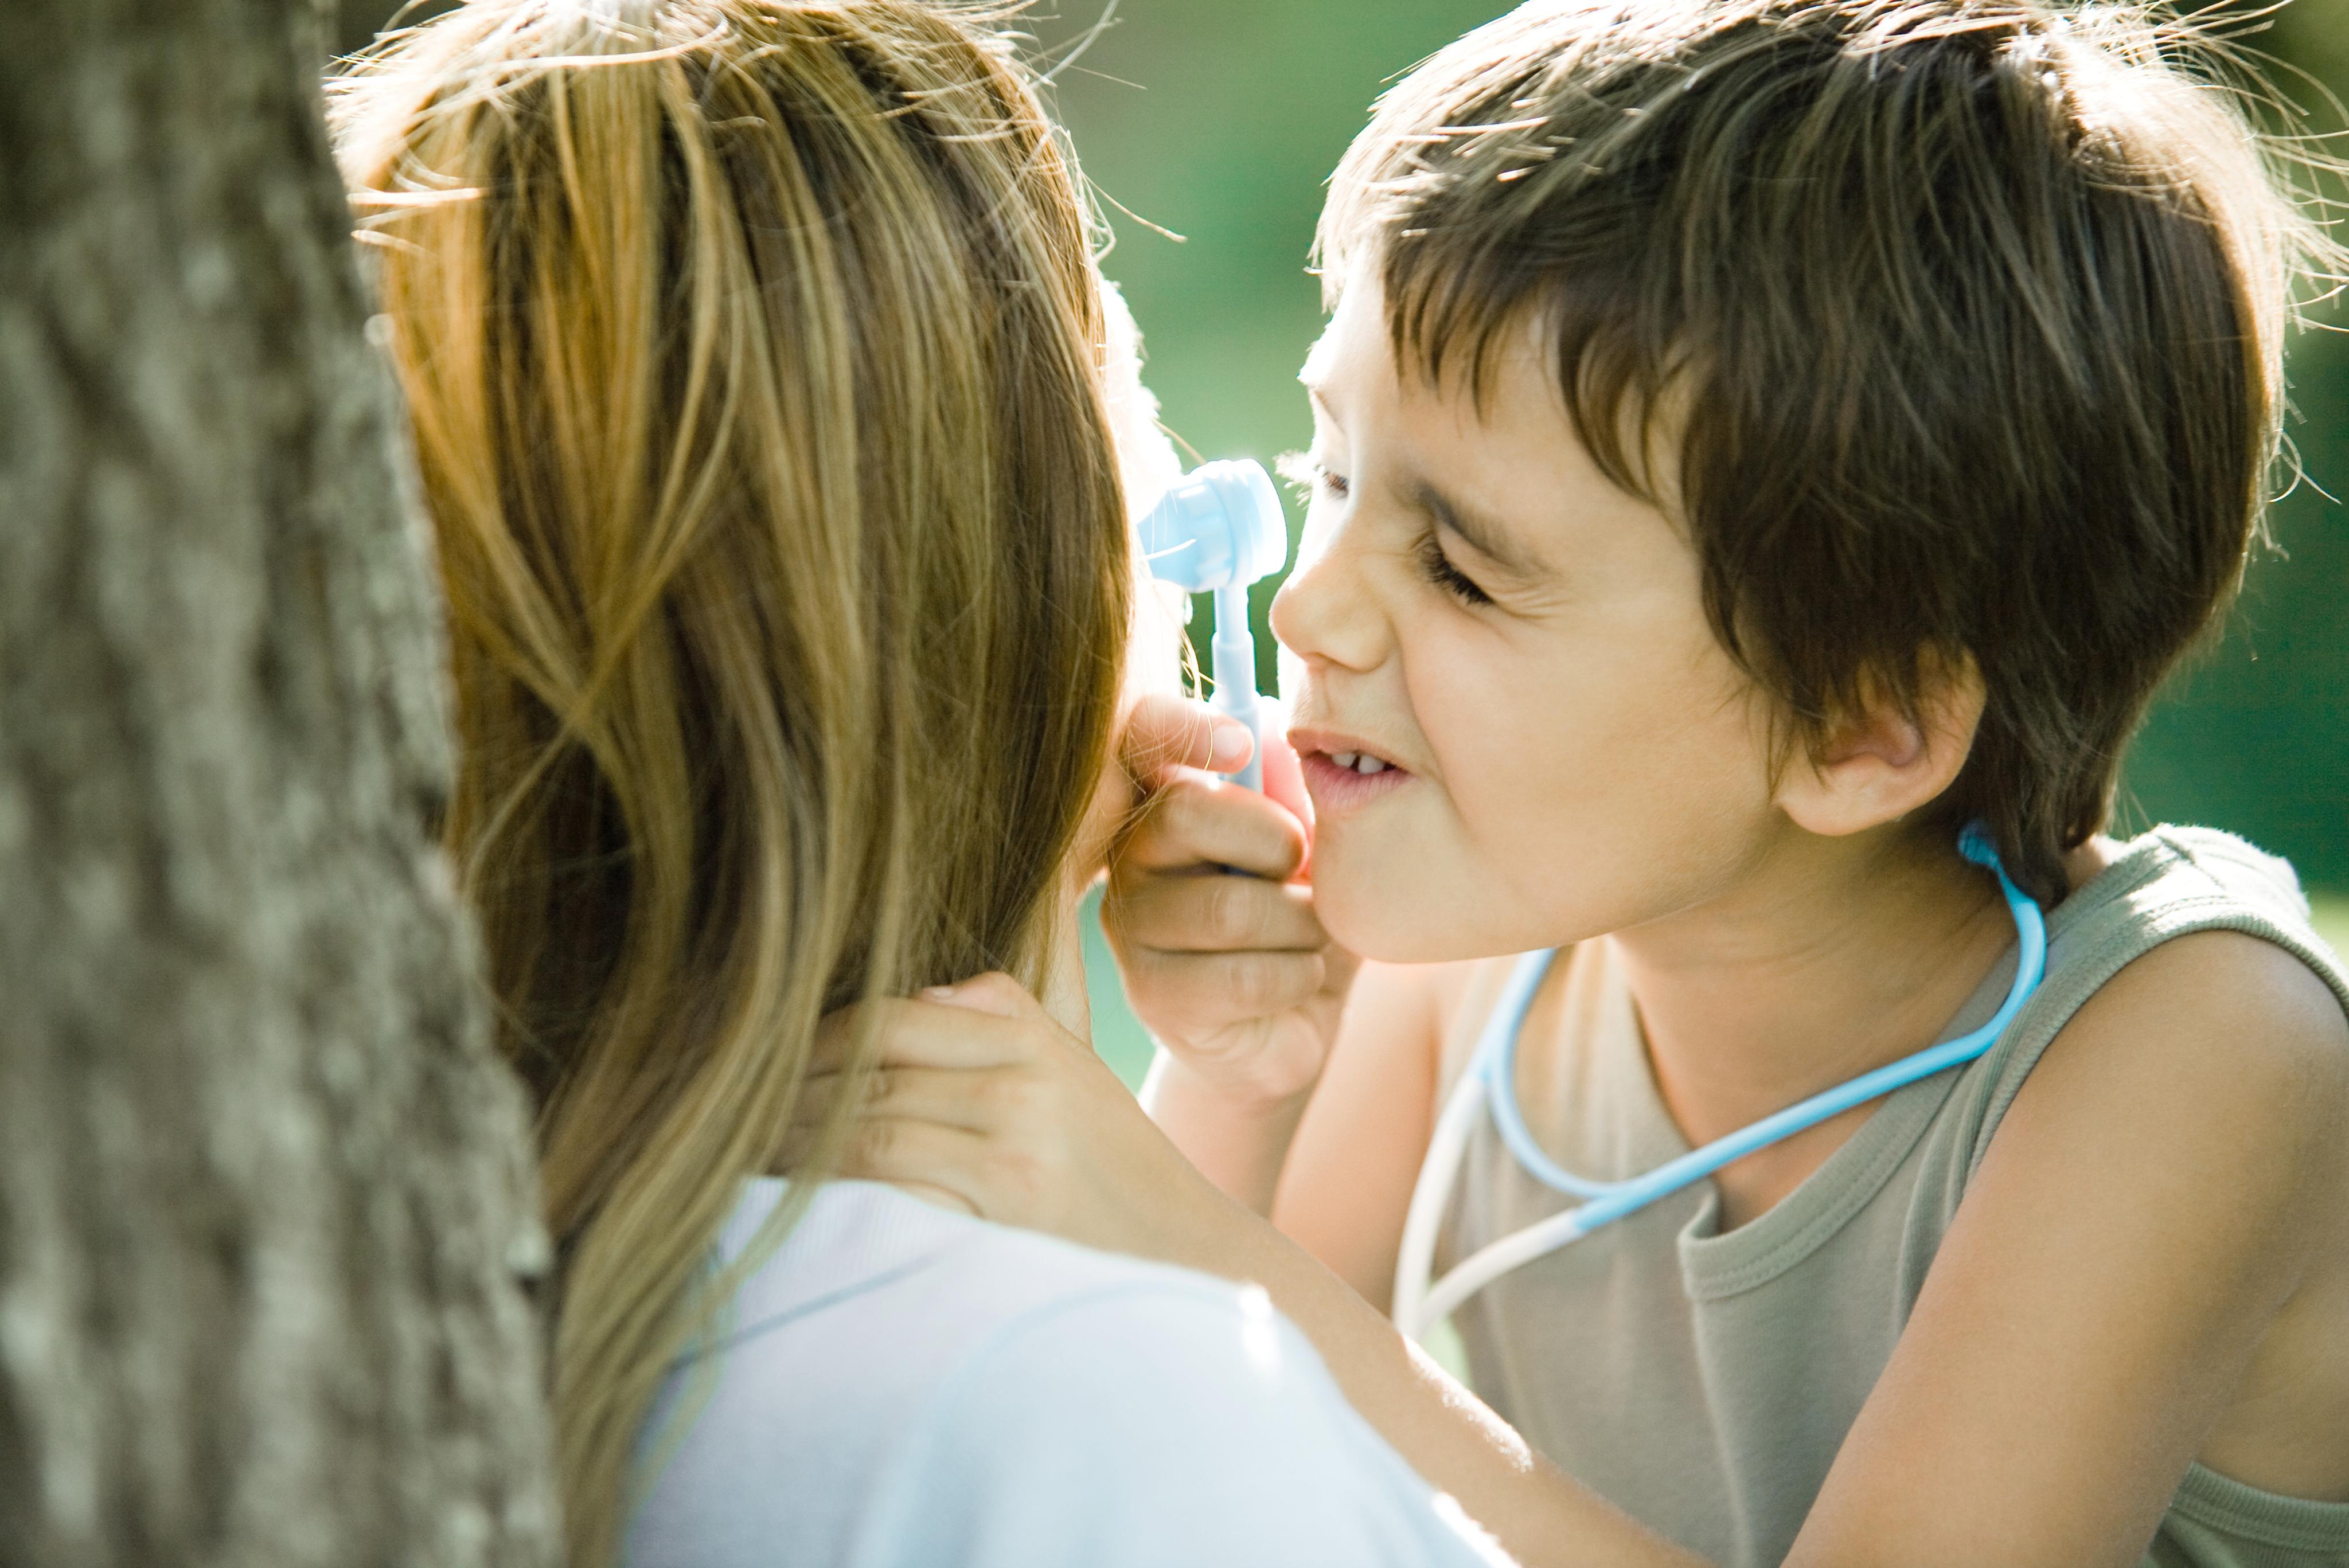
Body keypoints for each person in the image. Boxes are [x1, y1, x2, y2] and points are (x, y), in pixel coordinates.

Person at [822, 5, 2349, 1566]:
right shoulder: (1476, 982)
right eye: (1330, 476)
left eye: (1466, 572)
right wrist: (1233, 1077)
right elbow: (1184, 1461)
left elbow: (1241, 1331)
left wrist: (1180, 1229)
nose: (1310, 609)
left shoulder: (2201, 1053)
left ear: (1859, 727)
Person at [329, 3, 1521, 1566]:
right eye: (1118, 378)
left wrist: (1216, 1128)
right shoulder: (1143, 1434)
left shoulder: (410, 1296)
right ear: (1000, 545)